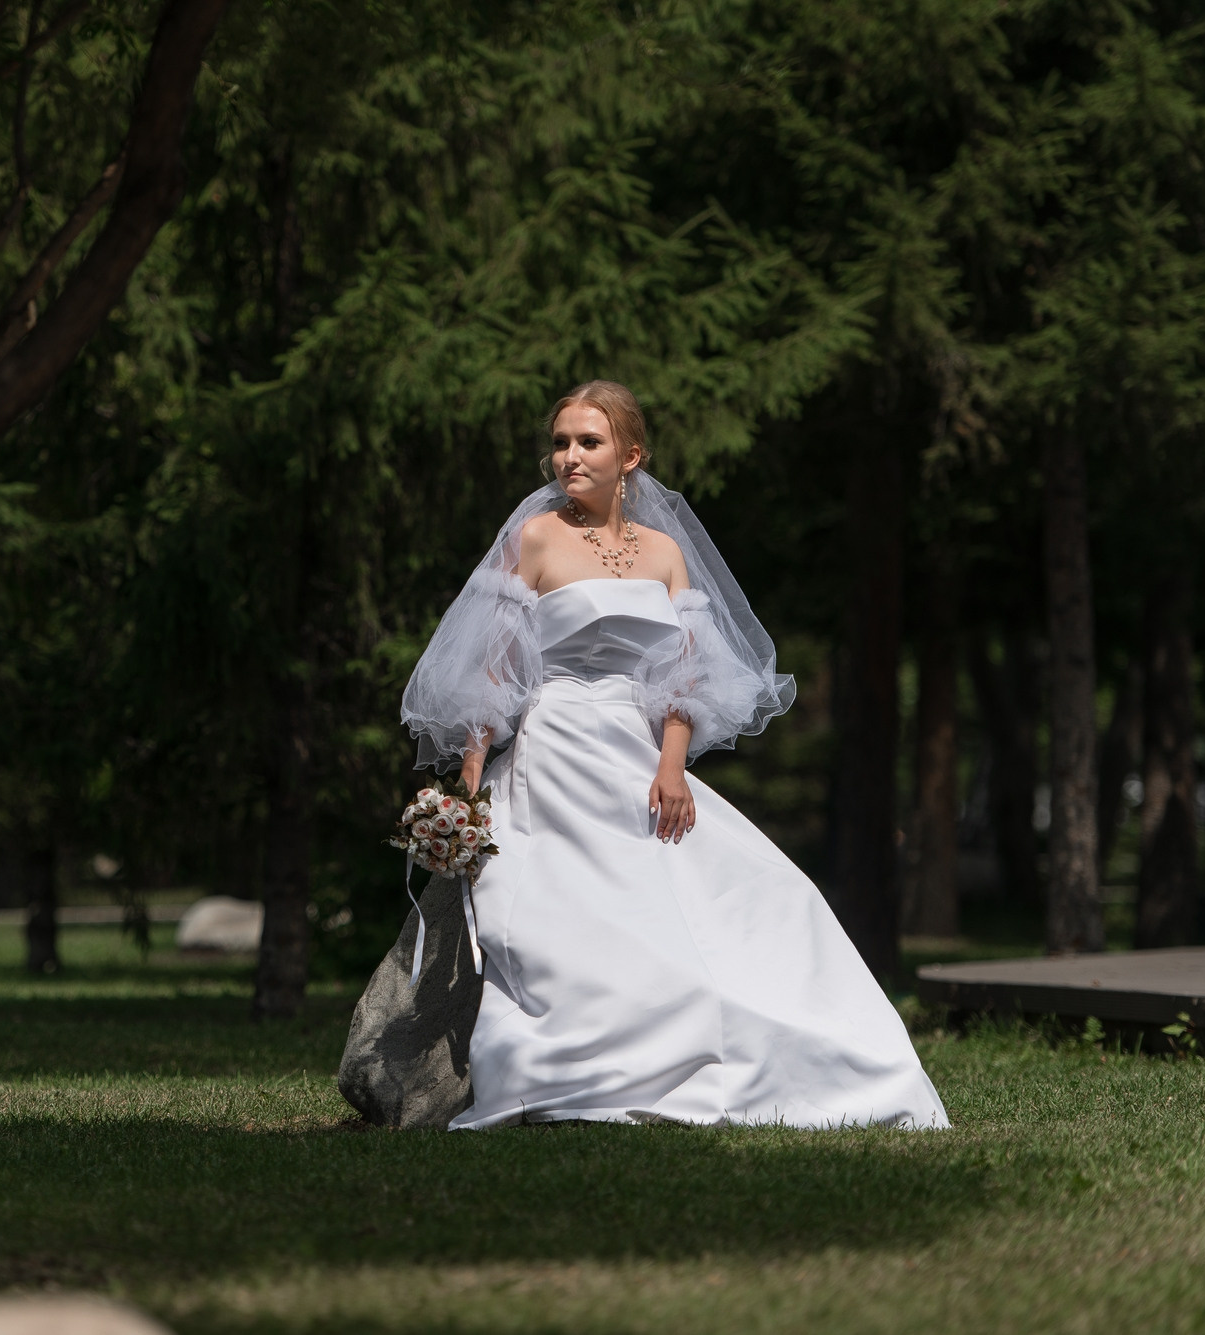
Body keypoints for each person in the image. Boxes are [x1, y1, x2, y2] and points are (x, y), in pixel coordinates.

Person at [400, 380, 948, 1130]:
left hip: (639, 750)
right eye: (560, 442)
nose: (569, 457)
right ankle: (571, 1062)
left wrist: (671, 764)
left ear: (631, 455)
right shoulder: (535, 539)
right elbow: (497, 670)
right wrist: (469, 781)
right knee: (575, 909)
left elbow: (683, 674)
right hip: (554, 750)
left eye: (588, 442)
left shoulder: (662, 552)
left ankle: (815, 1056)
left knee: (766, 893)